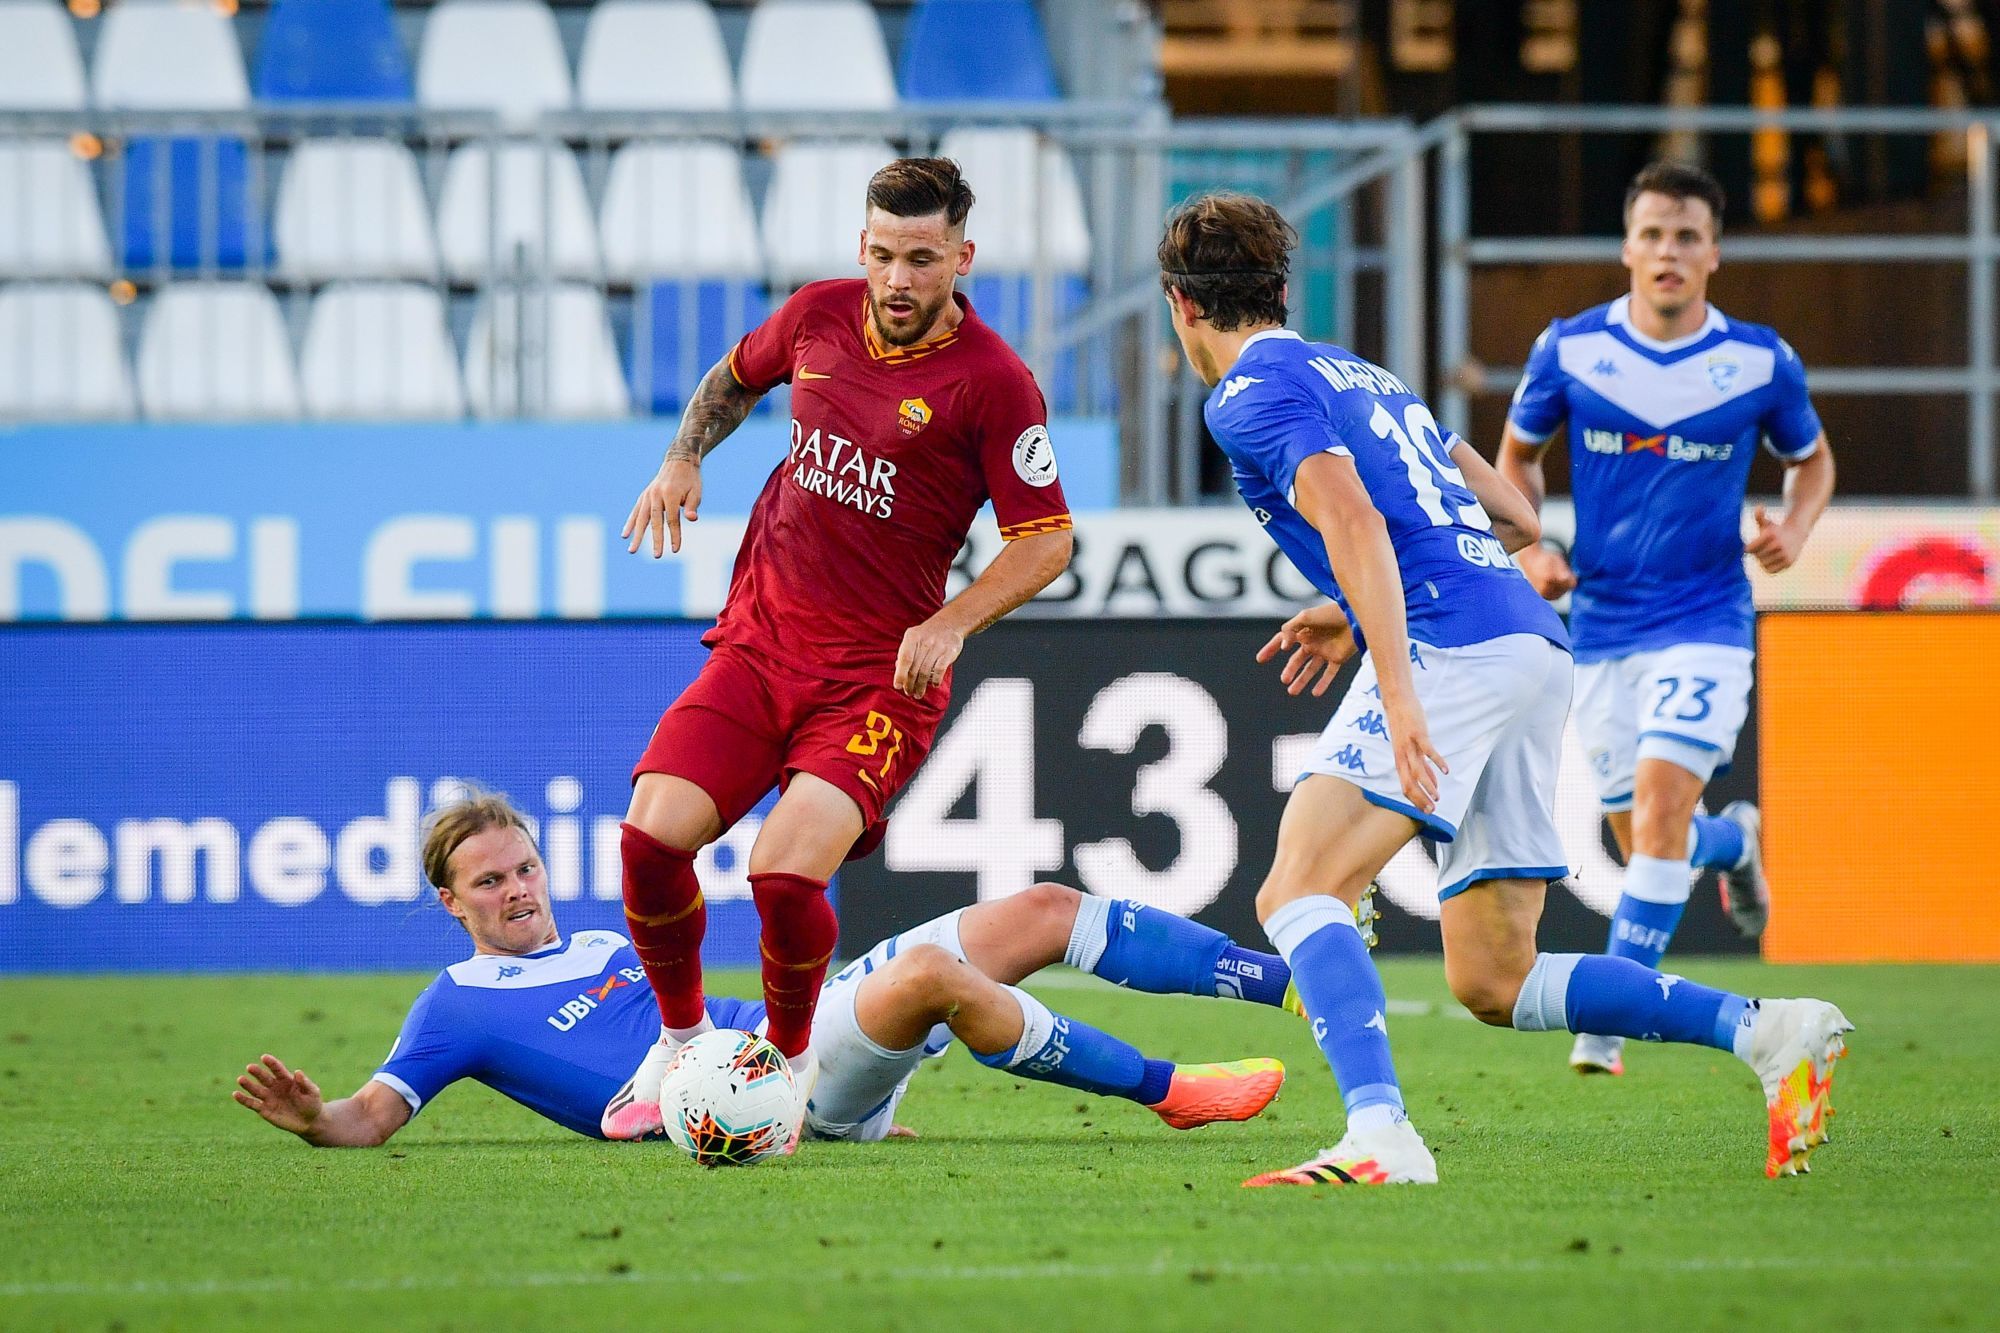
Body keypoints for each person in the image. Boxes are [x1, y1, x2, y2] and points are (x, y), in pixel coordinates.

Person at [1159, 191, 1851, 1185]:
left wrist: (1395, 687)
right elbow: (1512, 515)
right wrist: (1355, 610)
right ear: (1278, 287)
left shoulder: (1242, 396)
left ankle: (1378, 1134)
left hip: (1449, 646)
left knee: (1299, 886)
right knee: (1492, 976)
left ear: (1182, 307)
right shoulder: (1364, 375)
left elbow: (1352, 522)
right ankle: (1767, 1031)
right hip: (1528, 641)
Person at [607, 157, 1076, 1137]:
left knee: (782, 873)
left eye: (919, 257)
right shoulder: (818, 315)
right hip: (757, 647)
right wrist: (683, 455)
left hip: (873, 682)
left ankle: (782, 1069)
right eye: (879, 255)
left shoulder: (993, 383)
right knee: (650, 838)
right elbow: (734, 378)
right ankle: (682, 1041)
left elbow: (1047, 539)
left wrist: (949, 622)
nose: (896, 279)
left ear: (960, 256)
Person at [233, 791, 1291, 1150]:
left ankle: (1281, 979)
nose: (517, 890)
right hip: (763, 1096)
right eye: (489, 883)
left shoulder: (599, 946)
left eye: (522, 868)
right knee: (930, 973)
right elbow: (375, 1112)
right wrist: (320, 1116)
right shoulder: (452, 1006)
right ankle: (1171, 1093)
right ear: (450, 903)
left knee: (1042, 909)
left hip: (796, 1040)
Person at [1497, 161, 1837, 1078]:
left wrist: (1797, 527)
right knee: (1646, 836)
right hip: (1602, 626)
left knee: (1653, 816)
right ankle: (1739, 842)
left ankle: (1606, 1020)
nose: (1668, 252)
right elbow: (1515, 460)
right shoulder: (1569, 350)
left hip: (1706, 619)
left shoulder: (1759, 360)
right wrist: (1531, 546)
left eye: (1686, 235)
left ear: (1713, 252)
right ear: (1627, 247)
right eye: (1652, 234)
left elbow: (1812, 461)